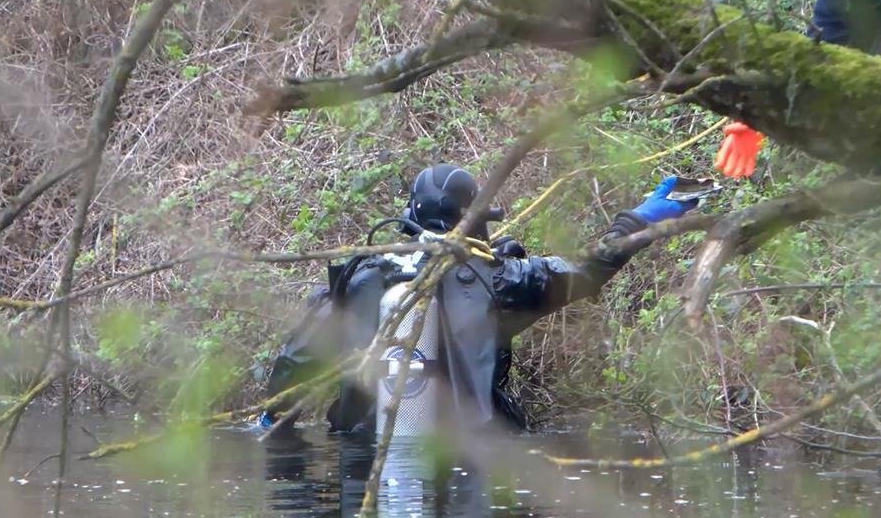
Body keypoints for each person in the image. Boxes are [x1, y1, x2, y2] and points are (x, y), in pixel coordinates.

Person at [259, 163, 699, 437]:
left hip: (369, 445)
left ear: (410, 213)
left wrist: (269, 421)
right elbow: (585, 271)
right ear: (473, 217)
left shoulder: (360, 276)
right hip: (472, 449)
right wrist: (638, 220)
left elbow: (297, 362)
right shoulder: (498, 278)